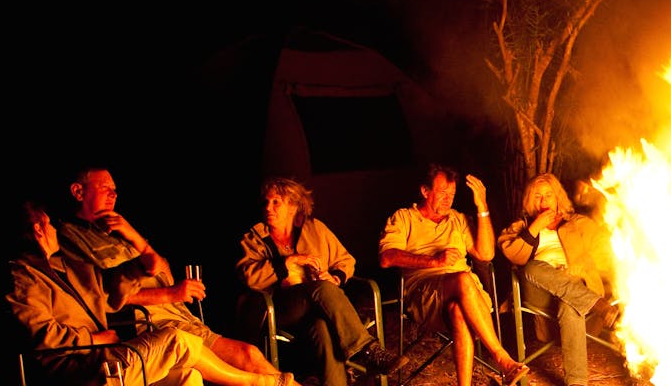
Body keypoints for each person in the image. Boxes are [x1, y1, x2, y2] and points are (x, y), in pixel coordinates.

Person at [8, 200, 302, 386]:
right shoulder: (22, 278)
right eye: (48, 225)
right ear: (37, 230)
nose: (53, 230)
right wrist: (92, 338)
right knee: (178, 338)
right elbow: (39, 334)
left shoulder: (68, 267)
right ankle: (262, 383)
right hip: (78, 368)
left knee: (189, 376)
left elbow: (108, 290)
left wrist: (140, 265)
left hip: (103, 355)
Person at [57, 166, 281, 376]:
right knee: (247, 358)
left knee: (248, 358)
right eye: (105, 188)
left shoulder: (116, 229)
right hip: (148, 325)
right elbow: (98, 299)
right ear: (78, 191)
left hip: (178, 315)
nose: (113, 195)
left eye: (115, 190)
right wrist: (171, 294)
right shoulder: (68, 238)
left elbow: (164, 272)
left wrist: (134, 236)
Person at [236, 177, 405, 386]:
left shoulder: (314, 229)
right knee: (321, 289)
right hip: (278, 308)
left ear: (292, 206)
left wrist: (335, 277)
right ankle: (366, 349)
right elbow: (249, 276)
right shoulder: (254, 238)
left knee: (322, 328)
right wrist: (288, 263)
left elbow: (346, 260)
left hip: (317, 310)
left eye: (276, 202)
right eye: (266, 202)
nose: (268, 207)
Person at [378, 164, 531, 386]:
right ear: (425, 191)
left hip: (469, 298)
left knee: (458, 310)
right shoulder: (404, 218)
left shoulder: (457, 219)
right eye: (442, 193)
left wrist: (482, 207)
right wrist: (433, 261)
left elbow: (486, 254)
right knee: (462, 278)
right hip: (425, 297)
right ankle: (502, 359)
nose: (448, 199)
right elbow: (386, 258)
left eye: (452, 194)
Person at [498, 173, 616, 386]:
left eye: (548, 195)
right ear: (529, 200)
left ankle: (577, 383)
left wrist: (582, 269)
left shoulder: (578, 223)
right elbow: (513, 254)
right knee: (533, 267)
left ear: (558, 197)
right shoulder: (522, 226)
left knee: (569, 306)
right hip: (538, 290)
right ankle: (597, 305)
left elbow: (605, 251)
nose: (543, 202)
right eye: (537, 196)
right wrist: (535, 226)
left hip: (574, 288)